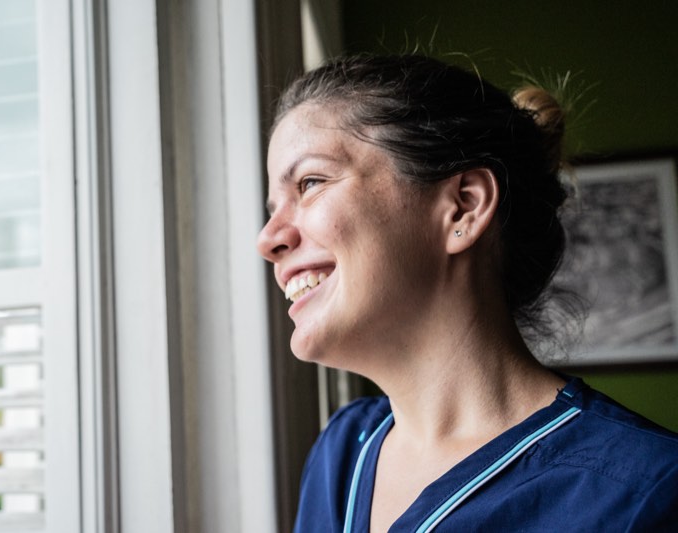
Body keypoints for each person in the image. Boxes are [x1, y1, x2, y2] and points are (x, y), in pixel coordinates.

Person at [256, 54, 678, 532]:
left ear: (463, 208)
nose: (267, 239)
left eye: (311, 182)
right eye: (273, 207)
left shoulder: (645, 495)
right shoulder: (341, 454)